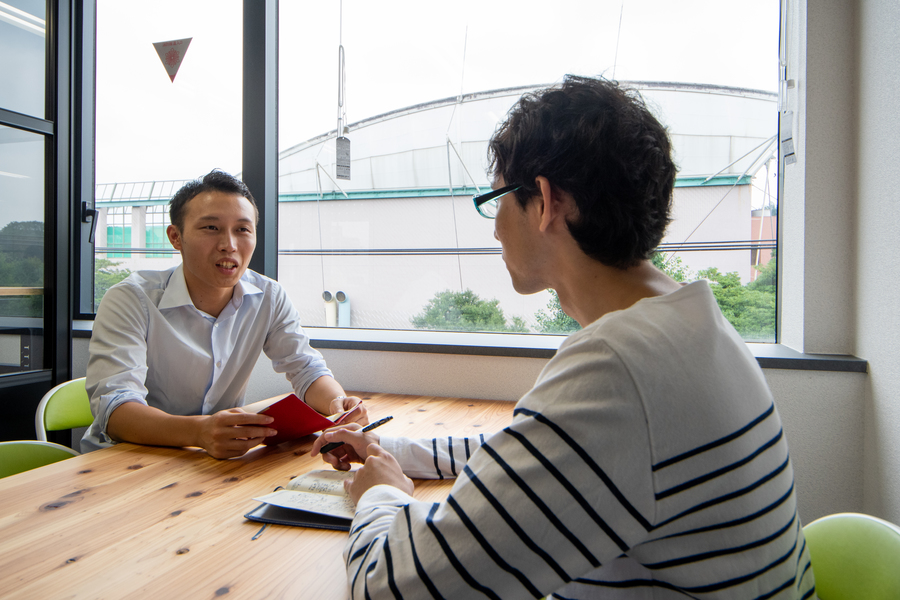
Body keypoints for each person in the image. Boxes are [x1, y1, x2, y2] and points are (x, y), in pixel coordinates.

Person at [311, 77, 816, 599]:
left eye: (499, 198)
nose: (495, 228)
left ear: (547, 201)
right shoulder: (692, 326)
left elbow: (391, 587)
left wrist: (382, 495)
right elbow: (537, 459)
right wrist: (390, 449)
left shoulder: (619, 367)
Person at [83, 169, 367, 458]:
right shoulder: (131, 299)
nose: (229, 245)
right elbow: (115, 409)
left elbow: (306, 368)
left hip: (213, 461)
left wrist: (338, 404)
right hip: (127, 458)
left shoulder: (268, 297)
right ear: (175, 237)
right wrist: (199, 432)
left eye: (242, 230)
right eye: (211, 228)